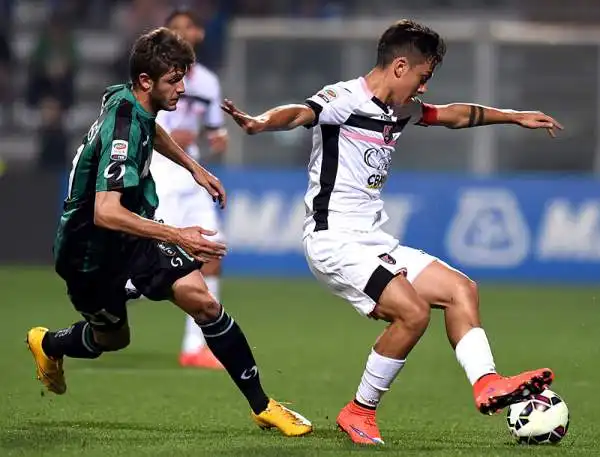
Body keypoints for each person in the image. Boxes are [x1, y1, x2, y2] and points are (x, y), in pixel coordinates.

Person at [222, 19, 562, 445]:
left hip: (374, 241)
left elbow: (453, 115)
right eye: (423, 77)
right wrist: (259, 123)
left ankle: (487, 383)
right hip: (333, 240)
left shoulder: (400, 109)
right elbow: (299, 112)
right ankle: (359, 411)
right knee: (413, 312)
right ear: (400, 67)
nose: (423, 89)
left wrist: (512, 117)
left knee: (462, 290)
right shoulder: (343, 99)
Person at [26, 27, 312, 437]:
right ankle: (50, 344)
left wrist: (195, 168)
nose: (182, 88)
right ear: (146, 81)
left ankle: (264, 405)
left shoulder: (126, 98)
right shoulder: (121, 131)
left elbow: (153, 127)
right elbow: (106, 212)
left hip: (133, 234)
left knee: (205, 303)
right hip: (88, 253)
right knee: (112, 338)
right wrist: (179, 235)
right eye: (174, 81)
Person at [148, 8, 229, 369]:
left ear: (198, 34)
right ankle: (96, 317)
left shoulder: (208, 82)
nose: (181, 35)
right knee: (150, 259)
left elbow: (214, 131)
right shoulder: (151, 78)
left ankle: (195, 347)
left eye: (188, 29)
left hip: (192, 170)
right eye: (174, 29)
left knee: (211, 251)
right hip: (160, 169)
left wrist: (218, 138)